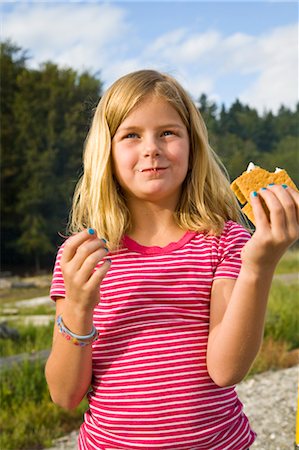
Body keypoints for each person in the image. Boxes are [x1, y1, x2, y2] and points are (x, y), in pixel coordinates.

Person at [45, 69, 299, 450]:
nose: (152, 148)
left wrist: (258, 266)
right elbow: (65, 395)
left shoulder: (225, 241)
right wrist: (79, 309)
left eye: (168, 132)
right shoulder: (82, 255)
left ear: (192, 145)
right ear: (107, 152)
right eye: (131, 134)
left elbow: (226, 369)